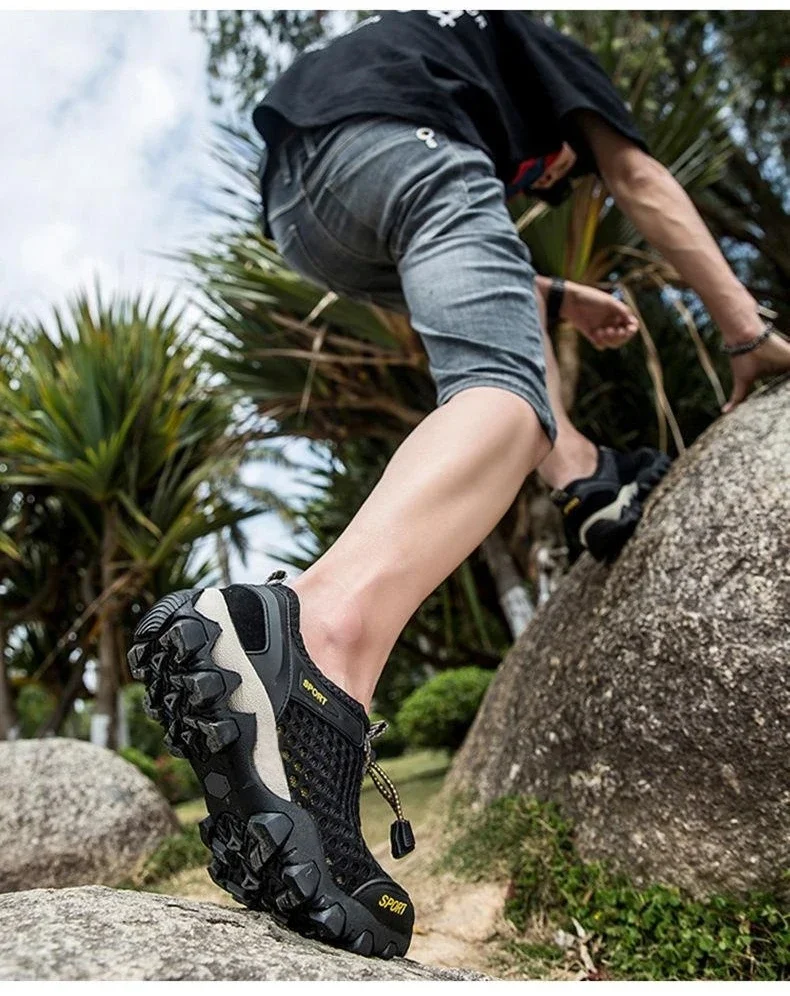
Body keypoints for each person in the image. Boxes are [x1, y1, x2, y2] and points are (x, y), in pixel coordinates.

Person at [130, 11, 790, 960]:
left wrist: (559, 303)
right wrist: (742, 329)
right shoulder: (553, 56)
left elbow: (471, 276)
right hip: (399, 145)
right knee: (505, 401)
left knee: (505, 370)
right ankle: (315, 635)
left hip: (304, 203)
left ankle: (585, 479)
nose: (555, 183)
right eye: (555, 174)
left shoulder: (438, 54)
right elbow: (640, 178)